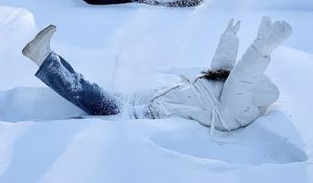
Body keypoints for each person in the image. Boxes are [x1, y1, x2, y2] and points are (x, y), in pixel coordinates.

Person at [21, 16, 292, 131]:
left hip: (155, 115)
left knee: (93, 112)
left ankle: (44, 59)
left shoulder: (240, 110)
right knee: (93, 100)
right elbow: (227, 69)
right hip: (156, 100)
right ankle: (45, 59)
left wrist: (262, 48)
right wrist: (229, 38)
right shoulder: (233, 90)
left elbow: (242, 78)